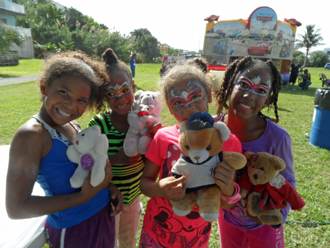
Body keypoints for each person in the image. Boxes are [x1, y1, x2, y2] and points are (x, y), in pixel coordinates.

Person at [6, 51, 123, 248]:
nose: (71, 105)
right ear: (45, 87)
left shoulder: (73, 126)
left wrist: (108, 187)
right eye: (64, 92)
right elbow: (16, 208)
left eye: (81, 100)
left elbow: (87, 167)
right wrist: (83, 197)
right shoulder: (32, 135)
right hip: (73, 230)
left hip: (102, 217)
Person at [139, 58, 243, 248]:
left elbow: (228, 204)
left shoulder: (227, 142)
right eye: (178, 102)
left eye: (195, 97)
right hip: (155, 233)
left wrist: (227, 187)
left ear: (209, 96)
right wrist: (159, 189)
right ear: (170, 109)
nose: (188, 107)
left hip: (196, 239)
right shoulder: (163, 137)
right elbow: (144, 184)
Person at [215, 56, 297, 248]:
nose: (250, 95)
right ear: (229, 85)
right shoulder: (213, 128)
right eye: (244, 85)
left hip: (265, 229)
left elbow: (288, 181)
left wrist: (276, 217)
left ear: (268, 99)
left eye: (260, 90)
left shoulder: (277, 138)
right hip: (228, 222)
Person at [88, 48, 144, 248]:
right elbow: (88, 163)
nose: (120, 99)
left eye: (125, 90)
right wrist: (115, 160)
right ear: (103, 96)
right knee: (108, 242)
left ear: (133, 87)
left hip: (134, 198)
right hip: (107, 200)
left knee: (129, 240)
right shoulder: (99, 125)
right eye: (111, 93)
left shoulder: (143, 122)